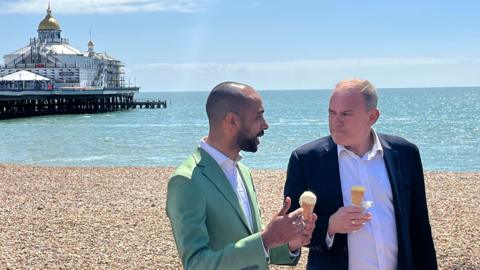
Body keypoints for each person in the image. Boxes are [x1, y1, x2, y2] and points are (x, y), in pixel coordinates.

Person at [284, 79, 437, 270]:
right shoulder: (306, 159)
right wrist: (330, 225)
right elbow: (291, 232)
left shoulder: (405, 154)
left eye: (346, 114)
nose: (336, 122)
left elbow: (419, 227)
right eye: (331, 113)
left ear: (372, 116)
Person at [167, 81, 317, 270]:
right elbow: (196, 264)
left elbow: (254, 245)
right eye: (258, 117)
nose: (265, 125)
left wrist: (289, 241)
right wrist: (267, 238)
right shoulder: (186, 181)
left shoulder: (243, 171)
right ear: (233, 121)